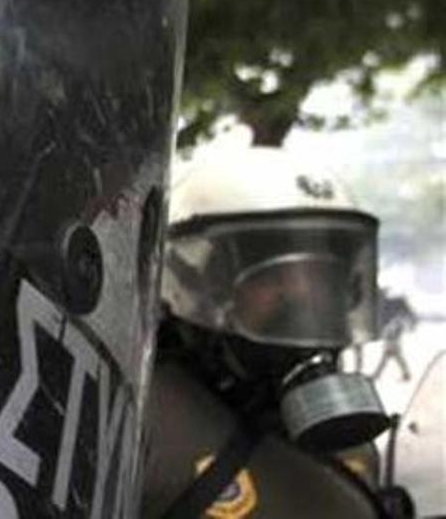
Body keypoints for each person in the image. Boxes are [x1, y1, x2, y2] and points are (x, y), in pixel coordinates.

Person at [141, 147, 411, 518]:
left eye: (322, 275)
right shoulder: (143, 418)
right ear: (200, 284)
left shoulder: (344, 440)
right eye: (271, 274)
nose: (304, 295)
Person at [372, 291, 417, 382]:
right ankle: (405, 374)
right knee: (393, 358)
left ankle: (377, 375)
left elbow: (394, 329)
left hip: (392, 341)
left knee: (389, 358)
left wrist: (388, 334)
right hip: (392, 340)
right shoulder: (395, 315)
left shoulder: (395, 315)